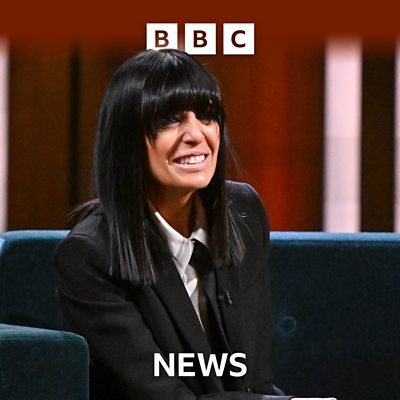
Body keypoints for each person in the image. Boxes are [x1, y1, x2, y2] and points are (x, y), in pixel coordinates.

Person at [53, 49, 335, 400]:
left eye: (206, 116)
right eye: (170, 119)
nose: (196, 135)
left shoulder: (242, 213)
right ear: (127, 138)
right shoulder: (89, 256)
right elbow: (162, 395)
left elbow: (253, 379)